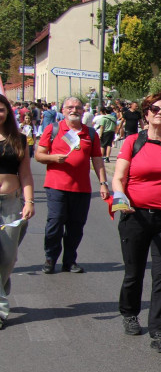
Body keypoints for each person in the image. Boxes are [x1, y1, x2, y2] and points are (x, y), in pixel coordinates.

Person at [111, 92, 161, 353]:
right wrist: (121, 198)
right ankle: (129, 313)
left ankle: (159, 331)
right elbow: (118, 177)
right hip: (135, 216)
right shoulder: (134, 141)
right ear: (146, 113)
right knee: (133, 272)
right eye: (155, 109)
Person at [35, 97, 109, 274]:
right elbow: (39, 154)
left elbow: (97, 160)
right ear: (63, 109)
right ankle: (50, 258)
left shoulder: (90, 133)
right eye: (70, 107)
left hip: (82, 189)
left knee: (76, 227)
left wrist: (103, 183)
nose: (74, 110)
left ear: (83, 111)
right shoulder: (53, 129)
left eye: (77, 107)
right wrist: (53, 158)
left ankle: (69, 260)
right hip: (56, 186)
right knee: (55, 223)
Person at [0, 95, 35, 328]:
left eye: (1, 110)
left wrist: (29, 200)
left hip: (11, 203)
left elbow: (25, 174)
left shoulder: (19, 140)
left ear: (7, 113)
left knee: (8, 258)